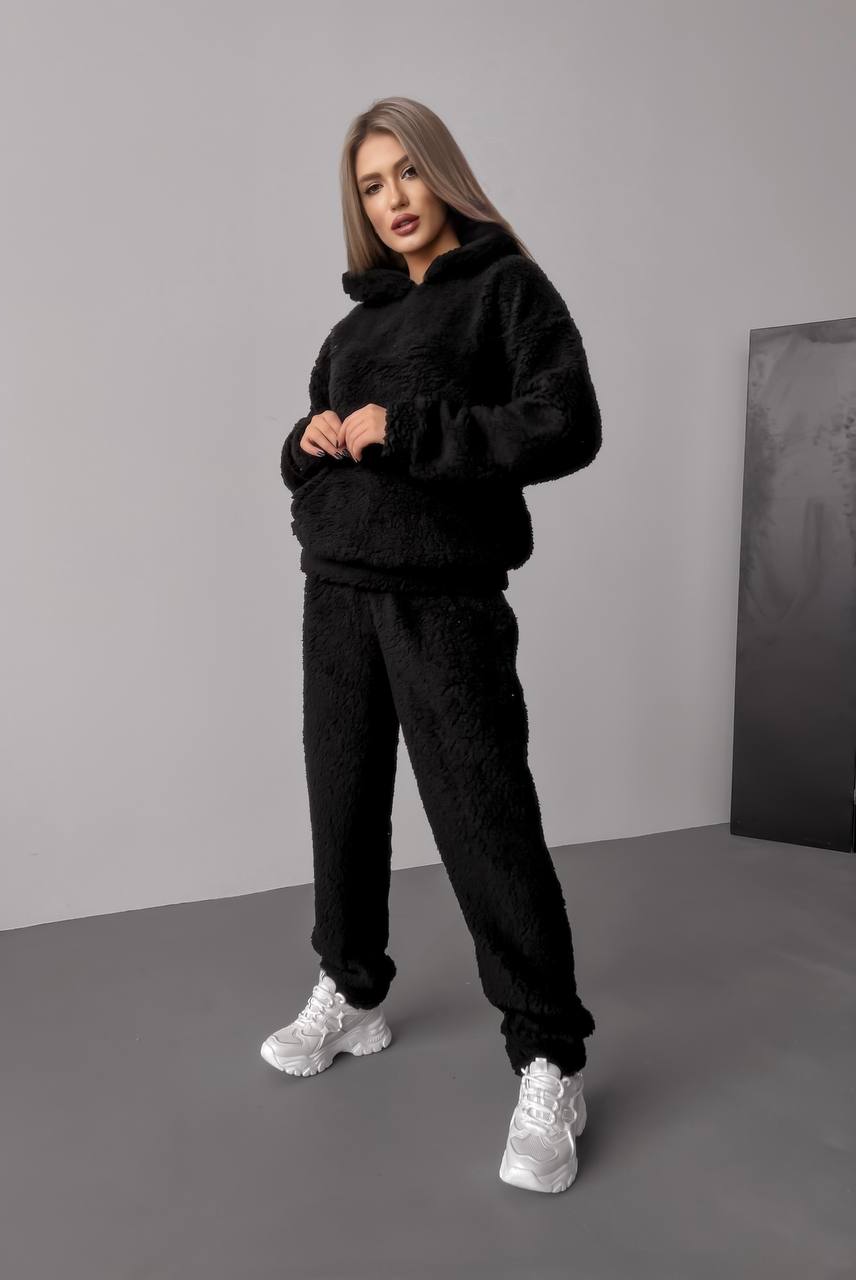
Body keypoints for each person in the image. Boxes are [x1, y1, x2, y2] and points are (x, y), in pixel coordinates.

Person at [261, 97, 602, 1194]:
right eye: (371, 186)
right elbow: (312, 450)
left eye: (406, 172)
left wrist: (410, 431)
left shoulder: (507, 290)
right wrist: (306, 442)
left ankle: (549, 1057)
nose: (393, 200)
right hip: (336, 593)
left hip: (443, 599)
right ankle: (352, 988)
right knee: (343, 800)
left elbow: (567, 422)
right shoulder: (351, 330)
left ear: (440, 172)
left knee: (485, 818)